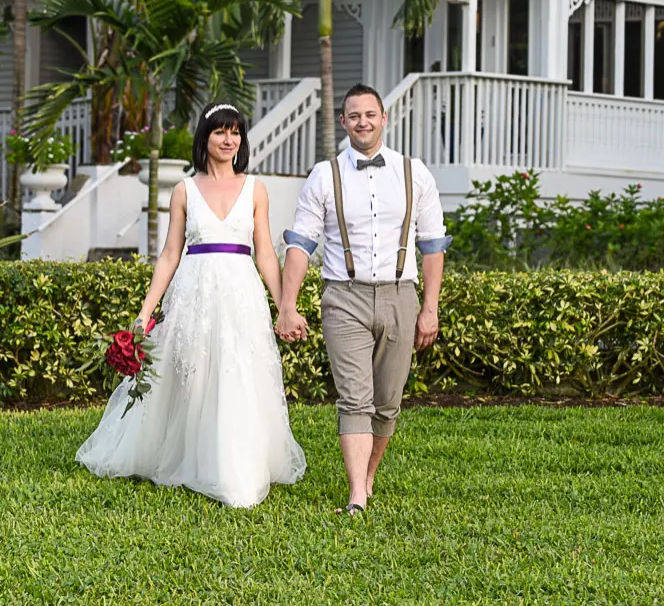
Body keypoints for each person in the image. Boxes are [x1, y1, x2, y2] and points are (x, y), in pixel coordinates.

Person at [76, 102, 307, 508]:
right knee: (192, 376)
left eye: (235, 132)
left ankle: (237, 468)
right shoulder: (184, 189)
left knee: (238, 372)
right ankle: (187, 456)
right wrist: (145, 312)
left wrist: (284, 305)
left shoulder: (256, 188)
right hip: (194, 290)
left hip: (241, 291)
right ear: (205, 136)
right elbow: (168, 254)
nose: (228, 139)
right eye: (220, 131)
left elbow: (266, 253)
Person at [277, 83, 449, 516]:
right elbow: (300, 244)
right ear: (343, 122)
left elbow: (432, 246)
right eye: (353, 116)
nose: (362, 122)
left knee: (388, 401)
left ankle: (369, 476)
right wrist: (288, 304)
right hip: (343, 297)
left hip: (400, 296)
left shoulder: (415, 173)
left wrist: (429, 309)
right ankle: (356, 495)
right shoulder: (324, 175)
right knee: (355, 398)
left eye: (370, 114)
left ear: (384, 117)